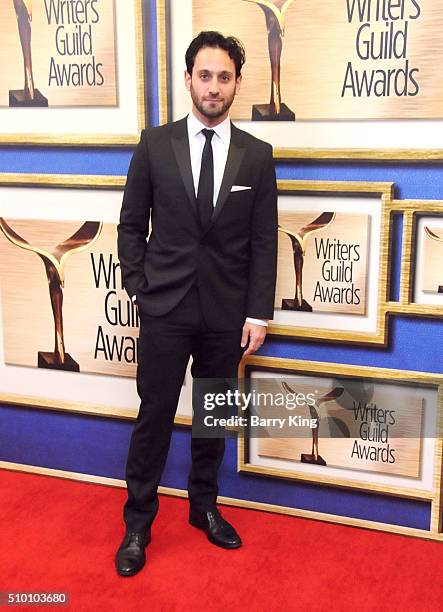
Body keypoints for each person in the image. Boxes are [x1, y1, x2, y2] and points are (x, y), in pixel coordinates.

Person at [116, 30, 278, 577]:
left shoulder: (257, 156)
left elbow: (263, 239)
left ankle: (203, 506)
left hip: (226, 316)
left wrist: (258, 312)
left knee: (214, 416)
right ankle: (138, 522)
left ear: (236, 83)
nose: (214, 86)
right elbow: (132, 225)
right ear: (188, 79)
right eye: (204, 75)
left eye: (224, 77)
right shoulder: (154, 144)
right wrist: (141, 288)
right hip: (165, 308)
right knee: (154, 415)